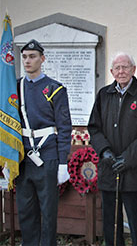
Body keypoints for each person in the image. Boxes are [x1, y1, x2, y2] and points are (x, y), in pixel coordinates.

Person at [88, 52, 137, 246]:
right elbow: (94, 128)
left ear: (133, 70)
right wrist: (104, 151)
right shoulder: (104, 94)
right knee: (111, 225)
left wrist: (127, 158)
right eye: (117, 68)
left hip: (135, 171)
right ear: (111, 71)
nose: (121, 71)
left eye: (125, 67)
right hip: (109, 170)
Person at [16, 39, 72, 246]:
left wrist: (62, 162)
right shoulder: (16, 88)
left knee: (48, 212)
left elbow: (65, 127)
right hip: (23, 157)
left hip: (47, 155)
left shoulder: (54, 89)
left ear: (42, 59)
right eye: (24, 57)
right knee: (26, 210)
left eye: (32, 56)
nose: (27, 61)